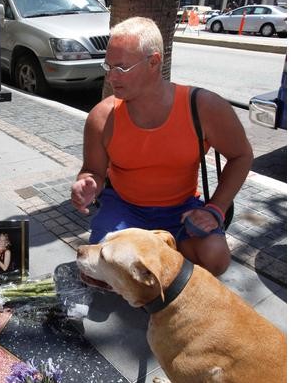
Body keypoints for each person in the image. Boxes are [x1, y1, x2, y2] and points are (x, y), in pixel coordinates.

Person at [70, 17, 253, 276]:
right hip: (124, 208)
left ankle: (163, 257)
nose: (111, 77)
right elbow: (92, 171)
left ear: (154, 62)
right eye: (108, 66)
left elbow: (242, 155)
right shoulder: (102, 116)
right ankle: (158, 258)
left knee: (215, 258)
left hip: (182, 211)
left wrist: (216, 208)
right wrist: (86, 184)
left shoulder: (203, 107)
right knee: (104, 268)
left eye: (121, 68)